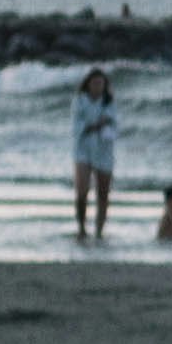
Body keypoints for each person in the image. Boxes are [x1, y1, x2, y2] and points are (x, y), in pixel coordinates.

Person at [68, 68, 118, 238]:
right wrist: (96, 125)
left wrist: (97, 125)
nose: (97, 86)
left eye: (100, 83)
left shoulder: (109, 101)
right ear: (87, 84)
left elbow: (114, 126)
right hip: (83, 149)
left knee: (103, 193)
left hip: (104, 151)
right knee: (82, 191)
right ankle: (81, 227)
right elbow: (77, 128)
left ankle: (99, 230)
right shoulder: (80, 101)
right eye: (94, 83)